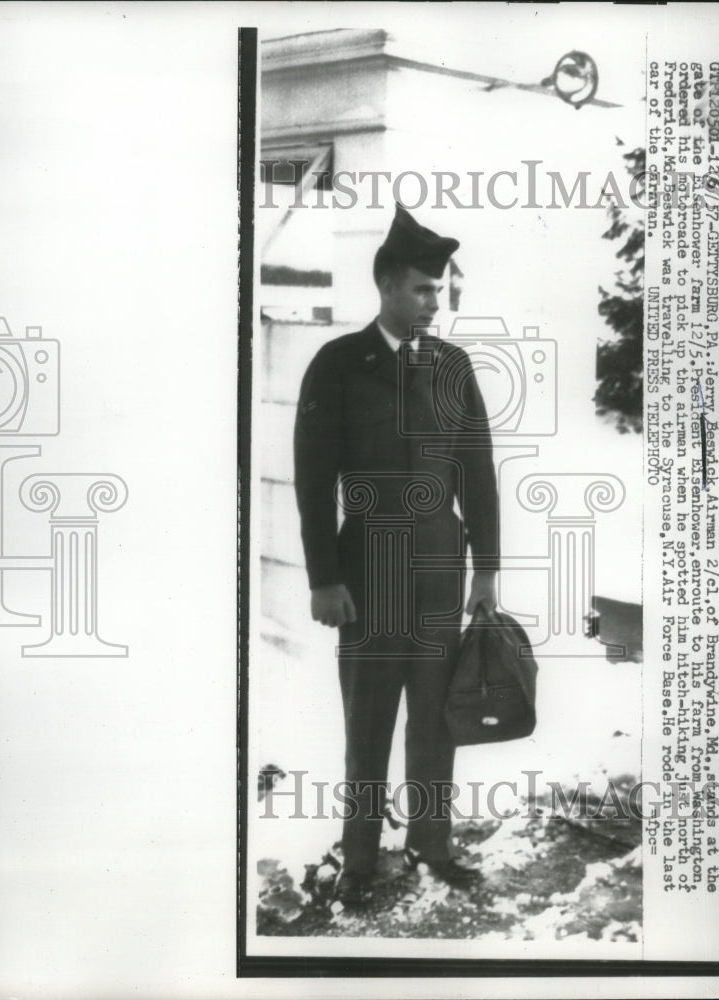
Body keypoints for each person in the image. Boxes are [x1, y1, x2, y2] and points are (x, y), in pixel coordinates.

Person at [293, 204, 499, 905]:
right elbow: (313, 482)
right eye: (420, 289)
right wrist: (324, 580)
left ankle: (431, 846)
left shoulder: (452, 366)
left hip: (443, 572)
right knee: (369, 724)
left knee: (437, 720)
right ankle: (360, 864)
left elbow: (478, 470)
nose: (431, 302)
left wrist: (488, 571)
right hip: (368, 573)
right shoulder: (340, 365)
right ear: (385, 285)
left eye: (438, 291)